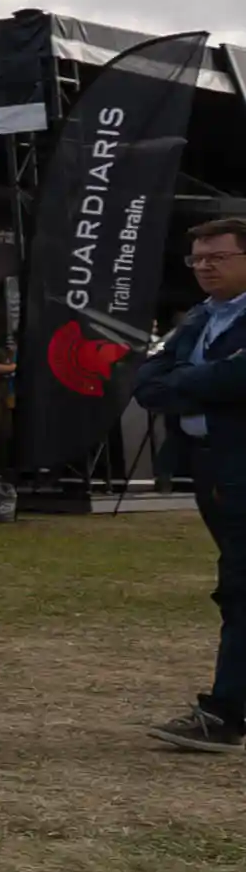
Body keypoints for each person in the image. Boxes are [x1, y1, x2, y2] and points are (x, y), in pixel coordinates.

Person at [139, 216, 246, 749]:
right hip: (210, 468)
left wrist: (191, 382)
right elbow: (146, 382)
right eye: (197, 258)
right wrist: (200, 383)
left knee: (241, 586)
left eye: (217, 257)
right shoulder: (199, 318)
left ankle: (225, 712)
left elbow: (234, 378)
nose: (204, 267)